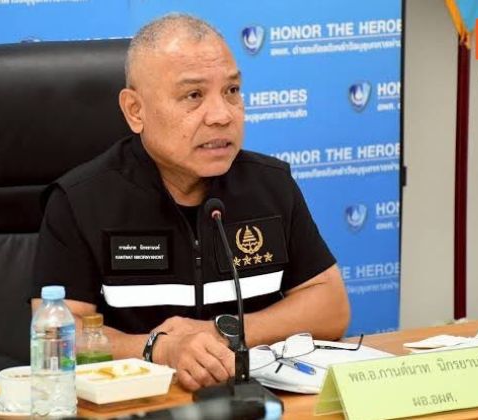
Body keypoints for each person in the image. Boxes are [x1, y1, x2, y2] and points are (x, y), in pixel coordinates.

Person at [31, 13, 350, 391]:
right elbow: (56, 335)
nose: (222, 115)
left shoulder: (270, 185)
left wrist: (223, 332)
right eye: (194, 95)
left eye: (232, 91)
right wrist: (158, 349)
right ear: (135, 110)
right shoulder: (81, 200)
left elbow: (330, 305)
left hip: (253, 399)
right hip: (139, 404)